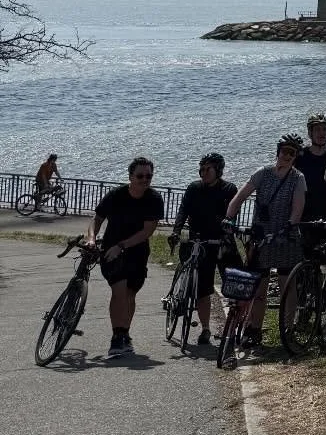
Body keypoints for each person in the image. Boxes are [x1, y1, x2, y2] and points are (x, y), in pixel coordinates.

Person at [227, 134, 306, 348]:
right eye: (284, 151)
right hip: (261, 238)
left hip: (285, 238)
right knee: (258, 288)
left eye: (292, 152)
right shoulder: (263, 173)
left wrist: (291, 224)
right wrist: (230, 217)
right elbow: (239, 197)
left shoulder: (298, 178)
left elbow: (298, 207)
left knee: (286, 288)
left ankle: (288, 329)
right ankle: (254, 329)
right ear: (277, 152)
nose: (287, 156)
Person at [85, 156, 164, 359]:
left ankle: (125, 333)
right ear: (130, 177)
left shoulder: (154, 199)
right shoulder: (115, 195)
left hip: (136, 252)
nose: (144, 179)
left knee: (130, 294)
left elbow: (147, 231)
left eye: (149, 176)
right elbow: (97, 219)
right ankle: (116, 337)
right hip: (111, 250)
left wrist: (123, 246)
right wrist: (92, 239)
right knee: (119, 290)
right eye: (140, 176)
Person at [170, 151, 237, 346]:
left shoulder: (229, 189)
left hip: (223, 241)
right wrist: (176, 231)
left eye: (209, 169)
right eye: (202, 169)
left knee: (234, 283)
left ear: (219, 170)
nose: (204, 172)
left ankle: (235, 327)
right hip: (200, 241)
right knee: (202, 288)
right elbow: (183, 210)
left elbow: (233, 214)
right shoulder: (194, 188)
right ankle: (206, 329)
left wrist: (227, 230)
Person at [295, 112, 326, 223]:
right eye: (317, 129)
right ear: (310, 133)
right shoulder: (300, 156)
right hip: (305, 213)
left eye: (324, 129)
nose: (321, 133)